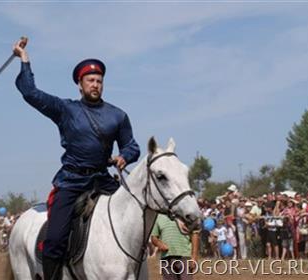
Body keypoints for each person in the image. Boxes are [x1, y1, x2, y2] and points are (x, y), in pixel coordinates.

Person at [13, 39, 141, 280]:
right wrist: (24, 59)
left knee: (136, 212)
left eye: (99, 80)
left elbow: (132, 145)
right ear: (80, 85)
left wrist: (125, 156)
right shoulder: (65, 109)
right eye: (90, 80)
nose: (96, 84)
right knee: (55, 239)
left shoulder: (118, 115)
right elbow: (31, 93)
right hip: (71, 182)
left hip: (103, 181)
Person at [151, 214, 199, 280]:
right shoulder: (159, 217)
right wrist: (159, 244)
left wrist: (194, 257)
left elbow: (194, 234)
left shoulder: (186, 214)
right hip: (166, 258)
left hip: (184, 256)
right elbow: (154, 238)